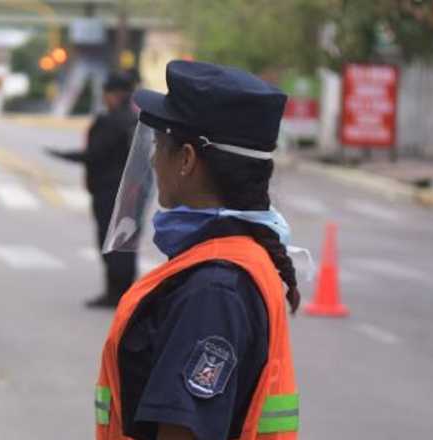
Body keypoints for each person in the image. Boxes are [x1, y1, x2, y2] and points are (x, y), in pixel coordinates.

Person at [94, 61, 300, 440]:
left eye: (159, 146)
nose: (153, 160)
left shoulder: (214, 289)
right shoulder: (234, 257)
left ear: (186, 160)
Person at [48, 72, 141, 308]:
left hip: (110, 190)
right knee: (125, 243)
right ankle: (121, 293)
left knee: (111, 244)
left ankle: (117, 295)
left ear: (114, 94)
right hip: (134, 189)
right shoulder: (135, 119)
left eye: (106, 94)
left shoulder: (111, 121)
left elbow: (95, 154)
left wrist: (63, 154)